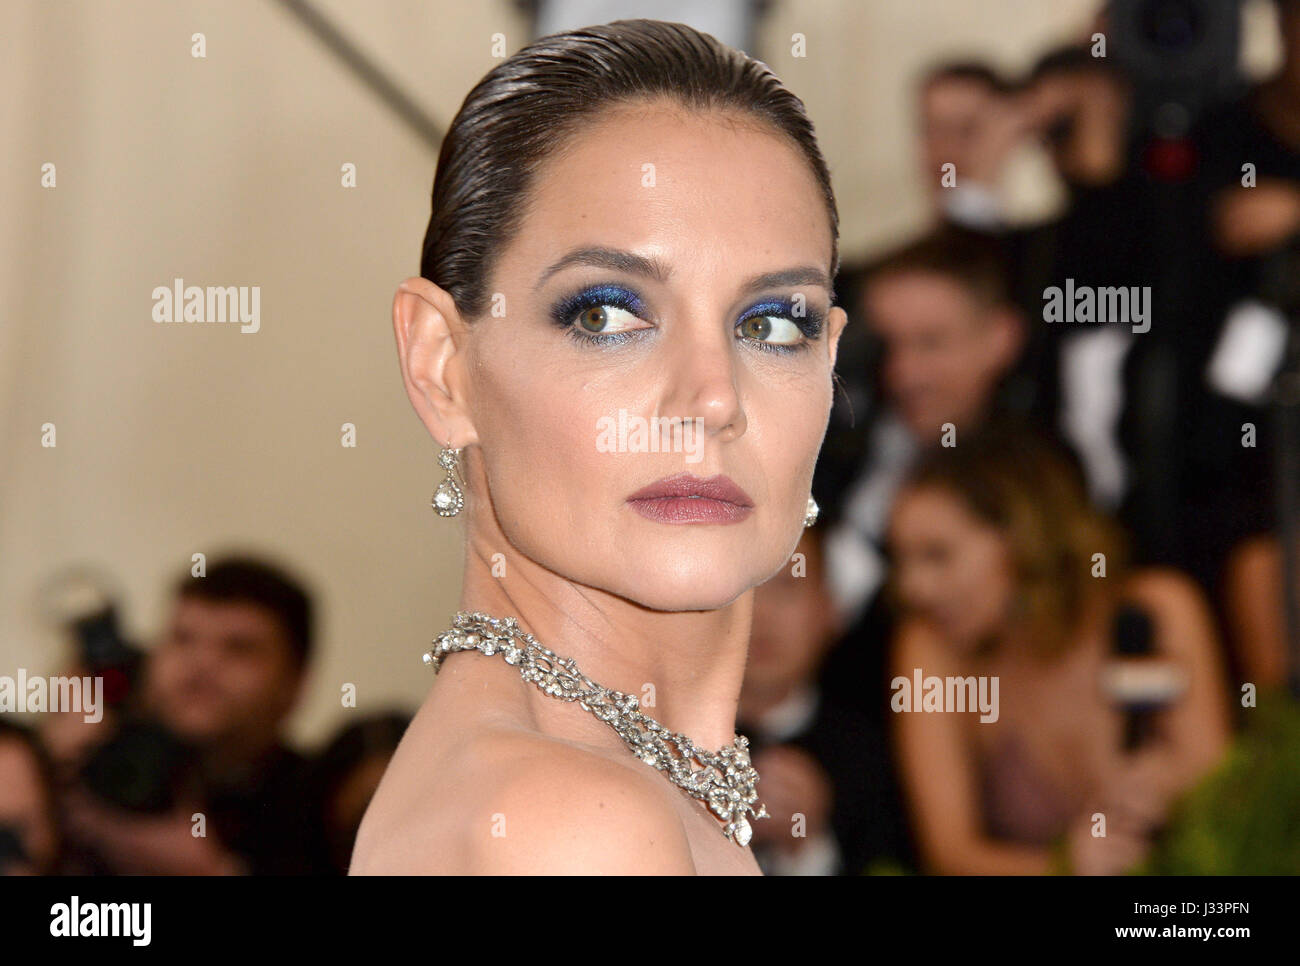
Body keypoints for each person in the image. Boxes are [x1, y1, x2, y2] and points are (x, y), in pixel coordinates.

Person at [351, 19, 848, 875]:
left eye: (772, 324)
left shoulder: (576, 786)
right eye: (606, 314)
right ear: (442, 367)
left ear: (831, 362)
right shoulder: (575, 825)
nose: (713, 398)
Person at [886, 428, 1230, 874]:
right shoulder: (930, 647)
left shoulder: (1155, 610)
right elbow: (951, 854)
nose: (913, 588)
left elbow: (1226, 802)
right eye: (901, 559)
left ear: (1025, 539)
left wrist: (1173, 786)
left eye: (938, 555)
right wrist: (1066, 867)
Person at [60, 556, 332, 874]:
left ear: (296, 681)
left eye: (239, 648)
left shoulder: (323, 803)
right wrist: (47, 764)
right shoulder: (97, 757)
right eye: (182, 639)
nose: (201, 665)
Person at [739, 523, 913, 875]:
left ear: (830, 610)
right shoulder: (664, 734)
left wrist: (807, 847)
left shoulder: (872, 756)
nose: (763, 612)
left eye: (788, 585)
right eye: (744, 588)